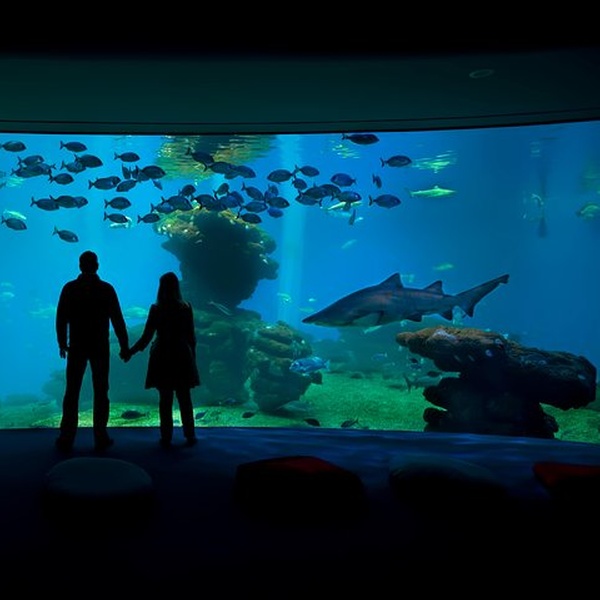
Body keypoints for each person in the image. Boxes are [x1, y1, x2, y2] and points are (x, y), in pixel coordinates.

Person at [55, 250, 129, 452]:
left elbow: (61, 318)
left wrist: (62, 342)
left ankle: (67, 436)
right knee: (101, 391)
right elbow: (118, 320)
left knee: (72, 391)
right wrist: (124, 346)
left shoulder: (70, 288)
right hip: (99, 347)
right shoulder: (106, 289)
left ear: (80, 266)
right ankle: (101, 435)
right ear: (97, 266)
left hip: (77, 346)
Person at [124, 271, 199, 447]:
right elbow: (191, 337)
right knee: (185, 397)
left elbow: (146, 337)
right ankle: (190, 435)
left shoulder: (156, 309)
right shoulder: (186, 307)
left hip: (162, 355)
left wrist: (130, 352)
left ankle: (166, 436)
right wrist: (193, 359)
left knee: (165, 399)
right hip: (182, 355)